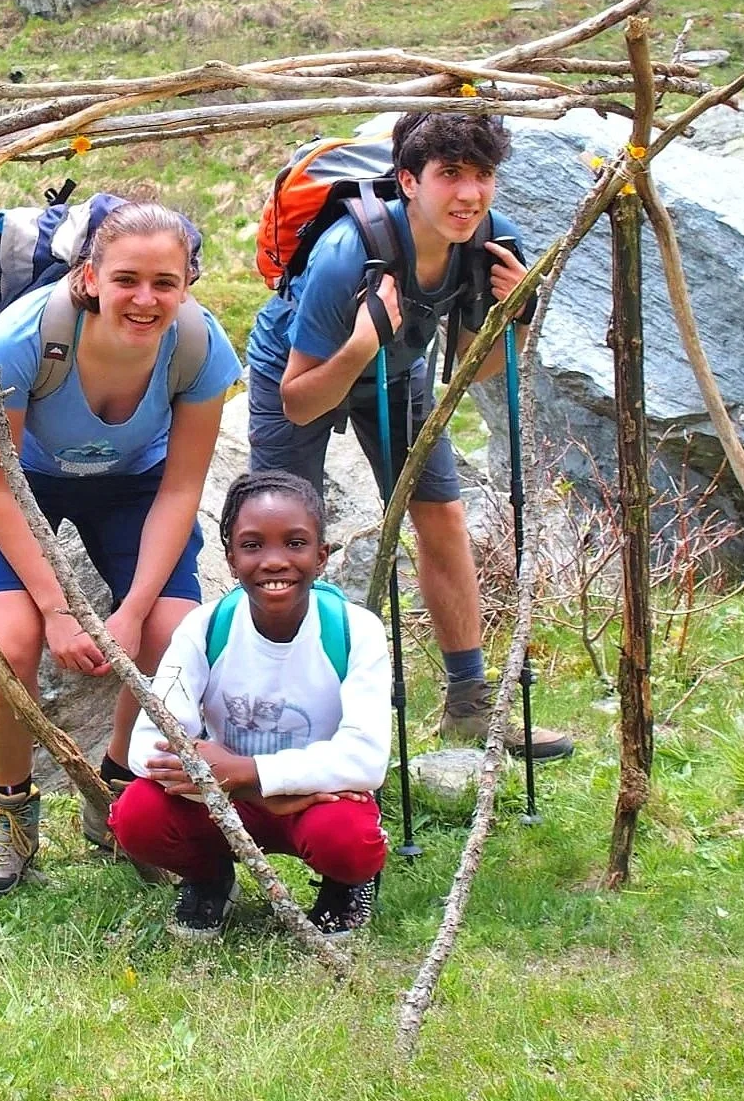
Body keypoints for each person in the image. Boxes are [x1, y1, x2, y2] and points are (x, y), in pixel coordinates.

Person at [244, 111, 574, 760]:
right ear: (408, 181)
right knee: (284, 535)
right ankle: (280, 709)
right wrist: (360, 344)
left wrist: (517, 317)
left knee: (442, 516)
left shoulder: (490, 242)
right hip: (304, 371)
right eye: (450, 174)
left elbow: (475, 364)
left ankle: (468, 704)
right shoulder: (347, 256)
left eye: (482, 175)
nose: (469, 194)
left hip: (396, 373)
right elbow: (299, 400)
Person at [0, 200, 243, 894]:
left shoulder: (198, 348)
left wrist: (130, 613)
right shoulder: (21, 339)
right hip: (13, 478)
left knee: (172, 631)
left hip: (134, 480)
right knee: (8, 640)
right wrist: (57, 611)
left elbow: (181, 488)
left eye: (164, 283)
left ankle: (115, 793)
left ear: (188, 286)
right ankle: (9, 812)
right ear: (89, 277)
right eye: (126, 279)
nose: (145, 299)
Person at [110, 470, 391, 940]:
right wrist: (252, 791)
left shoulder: (354, 630)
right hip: (227, 798)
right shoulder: (205, 628)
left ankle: (343, 887)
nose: (274, 561)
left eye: (295, 543)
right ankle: (209, 878)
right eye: (253, 545)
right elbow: (146, 748)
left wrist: (248, 771)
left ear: (321, 556)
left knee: (346, 837)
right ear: (231, 559)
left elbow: (365, 759)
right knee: (138, 814)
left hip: (316, 802)